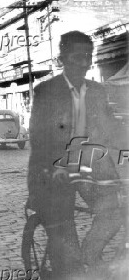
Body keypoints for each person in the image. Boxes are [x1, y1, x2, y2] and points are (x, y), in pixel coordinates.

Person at [27, 31, 123, 279]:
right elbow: (39, 140)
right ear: (62, 59)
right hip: (54, 171)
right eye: (77, 57)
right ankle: (69, 267)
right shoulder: (46, 91)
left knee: (114, 212)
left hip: (90, 167)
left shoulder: (97, 91)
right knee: (64, 242)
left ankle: (90, 254)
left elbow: (112, 129)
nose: (83, 63)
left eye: (88, 57)